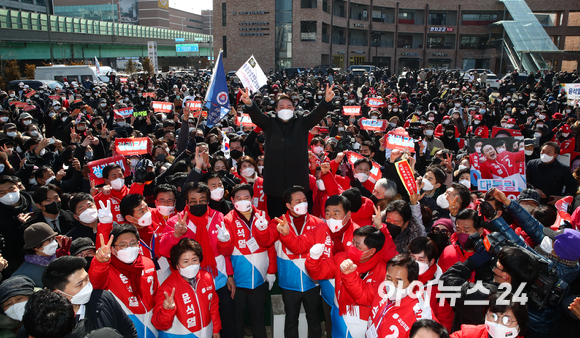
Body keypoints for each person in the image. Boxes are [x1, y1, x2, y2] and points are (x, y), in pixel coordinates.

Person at [239, 85, 335, 219]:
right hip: (275, 186)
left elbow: (316, 115)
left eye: (289, 107)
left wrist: (326, 101)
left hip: (298, 183)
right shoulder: (269, 122)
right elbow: (257, 117)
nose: (285, 109)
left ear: (294, 109)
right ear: (276, 109)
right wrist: (249, 103)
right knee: (277, 221)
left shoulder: (302, 121)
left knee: (299, 220)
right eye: (282, 107)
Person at [159, 182, 235, 338]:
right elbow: (163, 250)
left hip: (218, 278)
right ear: (186, 202)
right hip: (189, 285)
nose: (198, 204)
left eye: (202, 200)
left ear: (208, 201)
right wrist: (176, 235)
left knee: (227, 322)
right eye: (193, 201)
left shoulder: (218, 217)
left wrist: (229, 275)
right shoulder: (176, 221)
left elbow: (226, 252)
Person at [252, 185, 326, 338]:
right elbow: (266, 240)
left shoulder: (318, 223)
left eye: (304, 200)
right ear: (288, 205)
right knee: (291, 319)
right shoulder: (279, 223)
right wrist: (261, 229)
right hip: (289, 283)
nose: (303, 203)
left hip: (313, 281)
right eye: (298, 201)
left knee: (314, 318)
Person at [216, 184, 275, 338]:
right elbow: (226, 253)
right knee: (237, 321)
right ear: (232, 200)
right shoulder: (227, 219)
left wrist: (271, 272)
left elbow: (270, 245)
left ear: (252, 198)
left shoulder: (262, 215)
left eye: (246, 198)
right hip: (238, 281)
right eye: (239, 198)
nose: (243, 201)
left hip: (259, 279)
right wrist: (229, 275)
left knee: (258, 319)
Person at [306, 226, 386, 338]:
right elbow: (320, 272)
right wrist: (313, 259)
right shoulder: (342, 258)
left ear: (371, 251)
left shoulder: (384, 272)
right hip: (340, 320)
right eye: (352, 242)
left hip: (363, 327)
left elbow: (365, 296)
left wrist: (349, 274)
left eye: (357, 245)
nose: (353, 247)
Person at [89, 223, 158, 338]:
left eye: (133, 243)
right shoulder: (107, 269)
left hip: (151, 327)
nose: (129, 247)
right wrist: (100, 262)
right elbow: (95, 284)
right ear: (113, 249)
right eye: (123, 245)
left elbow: (156, 292)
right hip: (126, 328)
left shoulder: (148, 263)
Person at [41, 256, 138, 338]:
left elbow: (128, 330)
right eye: (79, 284)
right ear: (59, 293)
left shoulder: (103, 298)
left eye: (87, 279)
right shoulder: (51, 323)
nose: (87, 285)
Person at [152, 238, 221, 338]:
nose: (191, 265)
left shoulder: (207, 278)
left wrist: (216, 329)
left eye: (194, 260)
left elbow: (213, 306)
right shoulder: (167, 289)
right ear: (177, 265)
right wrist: (166, 309)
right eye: (185, 261)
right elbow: (159, 324)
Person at [367, 254, 431, 338]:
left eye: (398, 282)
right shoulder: (382, 289)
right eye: (389, 279)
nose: (391, 285)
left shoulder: (420, 312)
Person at [409, 237, 454, 332]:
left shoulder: (441, 287)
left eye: (421, 259)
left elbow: (445, 320)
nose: (416, 262)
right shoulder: (403, 273)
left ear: (431, 262)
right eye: (413, 258)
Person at [0, 175, 41, 276]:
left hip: (43, 251)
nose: (8, 194)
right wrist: (18, 225)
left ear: (18, 187)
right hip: (16, 260)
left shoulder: (33, 200)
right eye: (2, 193)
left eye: (11, 189)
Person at [450, 292, 528, 338]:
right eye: (493, 316)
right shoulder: (468, 334)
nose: (498, 323)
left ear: (519, 323)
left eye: (507, 320)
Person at [13, 223, 63, 287]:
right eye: (49, 240)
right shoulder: (23, 274)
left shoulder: (58, 257)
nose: (53, 242)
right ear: (35, 247)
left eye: (53, 238)